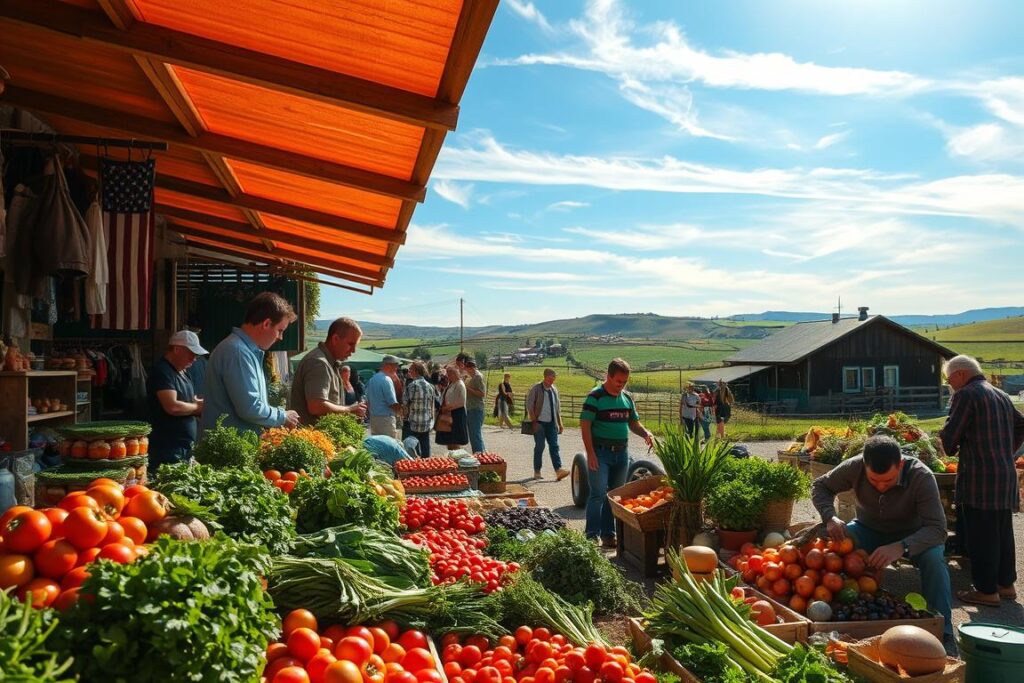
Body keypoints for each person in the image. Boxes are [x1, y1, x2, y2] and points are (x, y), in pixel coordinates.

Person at [812, 435, 953, 645]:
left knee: (934, 558)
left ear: (901, 464)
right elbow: (820, 486)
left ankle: (943, 629)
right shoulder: (855, 466)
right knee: (837, 541)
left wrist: (901, 546)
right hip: (868, 529)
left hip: (911, 535)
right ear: (864, 465)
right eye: (873, 481)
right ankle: (837, 613)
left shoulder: (921, 476)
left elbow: (937, 529)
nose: (880, 486)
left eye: (888, 480)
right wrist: (829, 516)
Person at [939, 355, 1024, 608]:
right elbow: (1022, 424)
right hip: (1004, 472)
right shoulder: (1000, 394)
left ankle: (987, 591)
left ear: (961, 374)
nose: (949, 384)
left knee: (981, 534)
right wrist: (1005, 450)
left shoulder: (966, 395)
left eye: (949, 379)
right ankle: (1006, 585)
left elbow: (950, 437)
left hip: (980, 476)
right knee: (1001, 530)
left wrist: (944, 440)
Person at [201, 292, 299, 436]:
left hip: (232, 449)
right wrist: (283, 416)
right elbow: (250, 408)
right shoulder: (238, 352)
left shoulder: (243, 350)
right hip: (226, 452)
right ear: (266, 324)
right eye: (280, 330)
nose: (280, 337)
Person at [580, 358, 654, 547]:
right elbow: (585, 426)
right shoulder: (595, 397)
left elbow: (633, 423)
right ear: (608, 376)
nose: (621, 385)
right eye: (618, 381)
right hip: (600, 452)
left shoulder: (627, 399)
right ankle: (591, 535)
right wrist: (591, 454)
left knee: (614, 495)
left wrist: (645, 433)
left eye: (625, 382)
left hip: (621, 453)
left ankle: (608, 535)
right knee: (597, 494)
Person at [288, 317, 366, 425]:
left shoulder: (329, 362)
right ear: (335, 339)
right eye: (351, 344)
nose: (353, 351)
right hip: (311, 437)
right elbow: (316, 406)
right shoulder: (318, 363)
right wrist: (349, 410)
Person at [147, 330, 206, 470]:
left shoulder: (183, 372)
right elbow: (172, 406)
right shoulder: (162, 371)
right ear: (177, 349)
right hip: (167, 449)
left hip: (184, 448)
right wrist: (198, 407)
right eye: (191, 353)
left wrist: (198, 404)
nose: (194, 358)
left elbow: (189, 401)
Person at [526, 369, 568, 481]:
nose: (552, 380)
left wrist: (560, 423)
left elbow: (557, 408)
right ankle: (537, 471)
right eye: (550, 378)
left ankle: (558, 470)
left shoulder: (554, 390)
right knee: (540, 446)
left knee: (554, 446)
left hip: (551, 423)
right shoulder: (536, 388)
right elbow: (529, 405)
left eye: (554, 378)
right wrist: (534, 421)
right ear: (545, 377)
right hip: (539, 423)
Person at [403, 361, 436, 457]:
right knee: (425, 445)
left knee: (411, 447)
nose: (409, 372)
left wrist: (404, 416)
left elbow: (405, 404)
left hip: (413, 421)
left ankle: (415, 466)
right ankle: (427, 465)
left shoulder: (411, 385)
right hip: (426, 421)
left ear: (416, 371)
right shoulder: (430, 386)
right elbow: (431, 404)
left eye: (411, 370)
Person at [365, 355, 402, 438]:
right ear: (388, 365)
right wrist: (401, 412)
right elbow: (392, 402)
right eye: (395, 366)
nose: (396, 368)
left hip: (374, 418)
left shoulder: (372, 379)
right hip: (385, 419)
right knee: (389, 446)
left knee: (378, 446)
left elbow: (367, 400)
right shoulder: (386, 379)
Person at [436, 365, 469, 451]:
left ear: (454, 374)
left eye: (449, 374)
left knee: (455, 440)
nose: (448, 376)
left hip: (457, 414)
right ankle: (451, 457)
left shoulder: (460, 385)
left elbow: (461, 402)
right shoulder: (451, 384)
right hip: (449, 413)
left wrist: (448, 408)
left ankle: (457, 457)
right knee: (449, 440)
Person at [464, 358, 487, 453]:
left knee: (475, 435)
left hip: (475, 408)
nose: (466, 371)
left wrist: (467, 389)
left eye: (467, 369)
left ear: (471, 368)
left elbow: (482, 393)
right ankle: (482, 454)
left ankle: (478, 455)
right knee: (475, 434)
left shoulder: (478, 377)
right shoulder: (473, 377)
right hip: (472, 408)